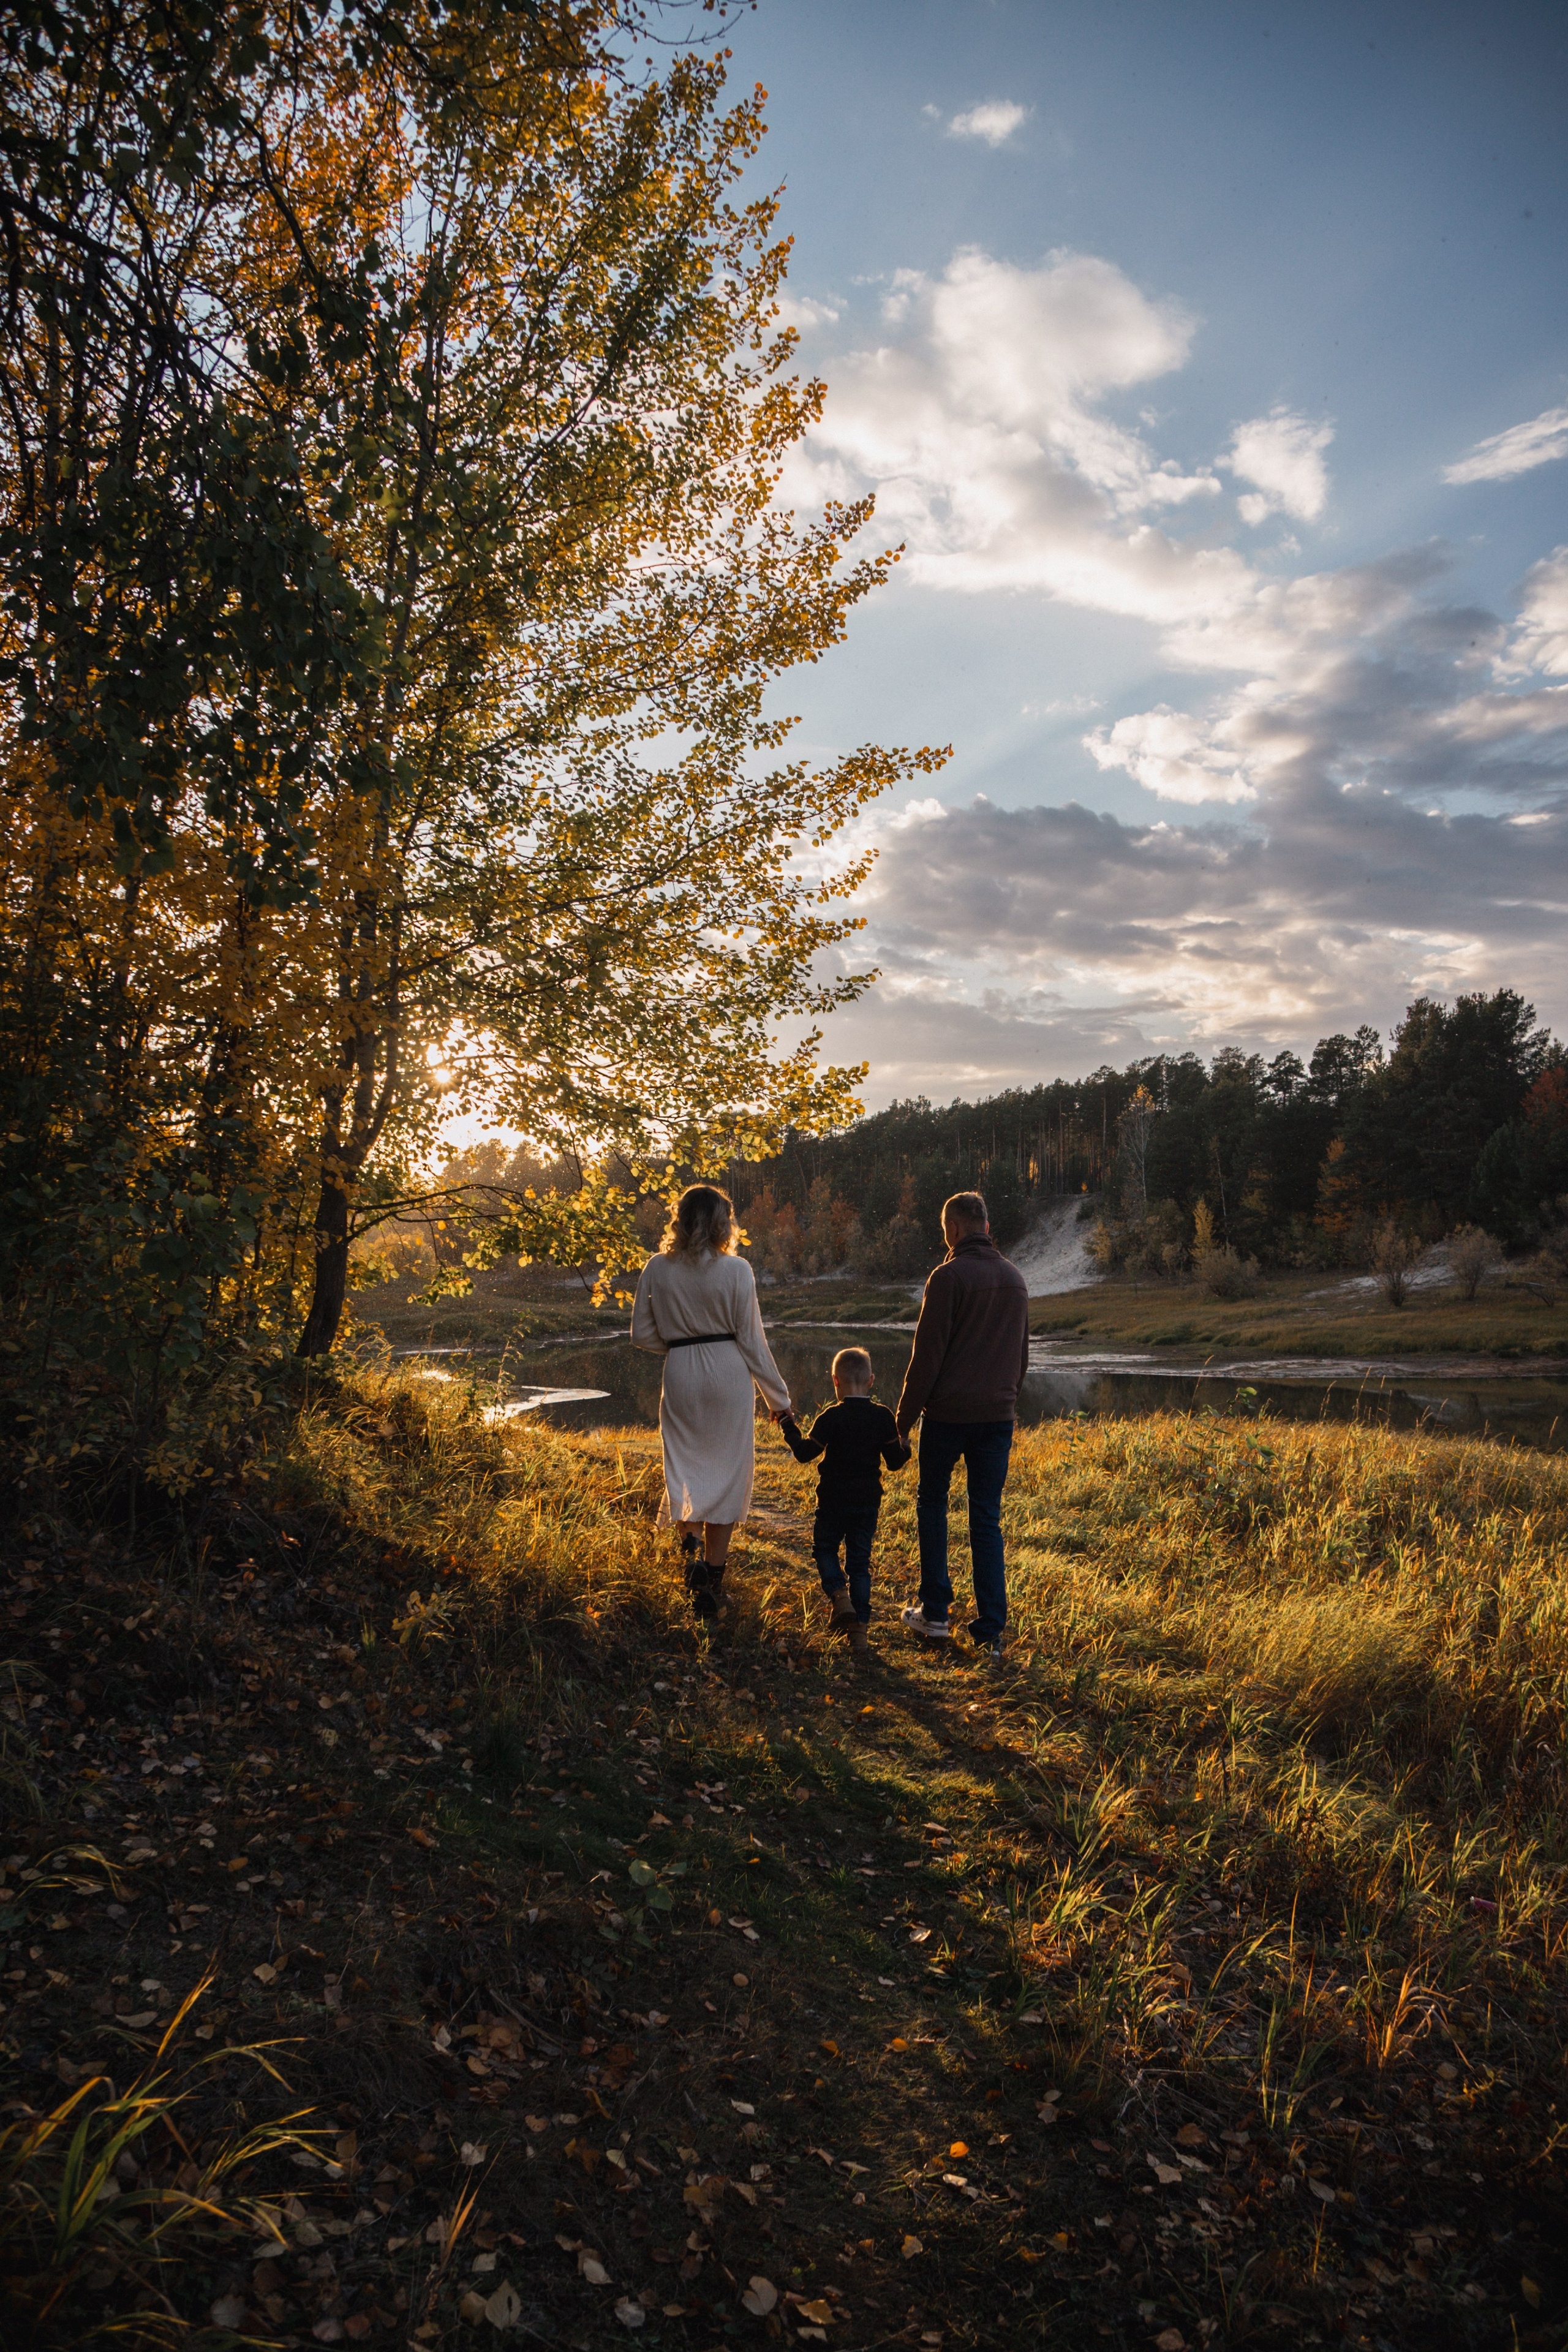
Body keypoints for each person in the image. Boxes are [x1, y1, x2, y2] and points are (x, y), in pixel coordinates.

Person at [631, 1183, 791, 1620]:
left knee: (684, 1467)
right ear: (725, 1222)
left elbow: (641, 1335)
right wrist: (779, 1399)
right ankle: (714, 1579)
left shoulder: (657, 1268)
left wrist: (684, 1347)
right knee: (727, 1475)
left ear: (679, 1219)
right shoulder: (737, 1270)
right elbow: (754, 1343)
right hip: (729, 1374)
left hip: (681, 1372)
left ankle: (692, 1553)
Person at [894, 1191, 1030, 1667]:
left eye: (943, 1230)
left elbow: (926, 1359)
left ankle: (935, 1615)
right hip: (997, 1418)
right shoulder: (1014, 1278)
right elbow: (1021, 1357)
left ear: (953, 1227)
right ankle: (990, 1633)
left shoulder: (948, 1277)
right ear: (986, 1226)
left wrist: (903, 1422)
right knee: (985, 1518)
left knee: (933, 1504)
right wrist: (1006, 1399)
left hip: (949, 1417)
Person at [778, 1346, 911, 1657]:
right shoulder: (882, 1417)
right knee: (860, 1564)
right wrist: (906, 1446)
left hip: (833, 1500)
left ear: (835, 1381)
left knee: (824, 1549)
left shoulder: (831, 1417)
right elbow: (894, 1462)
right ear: (872, 1380)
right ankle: (860, 1636)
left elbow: (804, 1453)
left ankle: (840, 1598)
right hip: (867, 1503)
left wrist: (788, 1425)